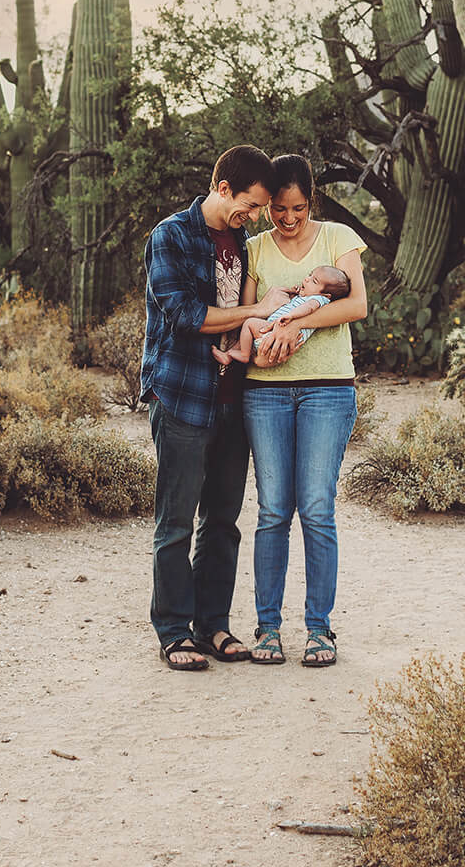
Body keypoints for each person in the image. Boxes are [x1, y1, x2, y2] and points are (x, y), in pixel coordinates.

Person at [141, 145, 283, 673]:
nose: (253, 217)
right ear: (223, 189)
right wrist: (258, 309)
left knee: (223, 520)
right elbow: (183, 315)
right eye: (249, 205)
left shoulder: (243, 241)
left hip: (233, 398)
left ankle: (213, 625)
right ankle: (174, 631)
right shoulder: (171, 235)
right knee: (176, 522)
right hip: (182, 394)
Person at [240, 153, 367, 669]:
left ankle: (320, 630)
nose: (287, 219)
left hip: (328, 390)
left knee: (316, 508)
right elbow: (248, 312)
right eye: (277, 210)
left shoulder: (340, 238)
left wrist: (294, 327)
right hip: (265, 391)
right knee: (272, 512)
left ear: (309, 201)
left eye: (296, 208)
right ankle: (267, 628)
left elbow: (357, 304)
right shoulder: (254, 249)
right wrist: (263, 333)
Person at [210, 265, 351, 365]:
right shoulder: (308, 296)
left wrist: (291, 316)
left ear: (326, 295)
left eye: (314, 281)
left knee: (249, 323)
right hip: (275, 340)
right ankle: (229, 355)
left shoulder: (319, 300)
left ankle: (243, 354)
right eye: (310, 275)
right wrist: (297, 293)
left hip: (275, 335)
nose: (307, 279)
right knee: (250, 333)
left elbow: (307, 308)